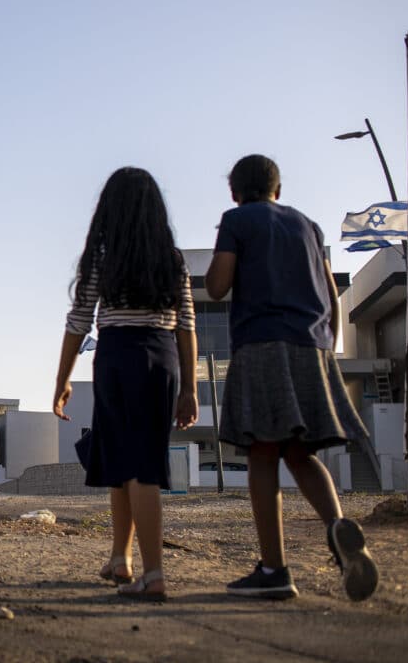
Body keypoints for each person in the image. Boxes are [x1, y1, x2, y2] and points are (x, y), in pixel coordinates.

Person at [205, 154, 379, 601]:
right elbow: (329, 292)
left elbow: (217, 285)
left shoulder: (237, 219)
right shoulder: (307, 225)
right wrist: (328, 350)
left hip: (262, 343)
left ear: (235, 192)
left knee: (262, 454)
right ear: (278, 190)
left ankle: (274, 569)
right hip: (314, 346)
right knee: (300, 452)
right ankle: (337, 524)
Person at [53, 167, 198, 602]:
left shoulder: (102, 258)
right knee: (122, 461)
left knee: (138, 467)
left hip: (117, 357)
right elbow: (187, 325)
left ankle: (153, 574)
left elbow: (78, 322)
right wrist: (189, 387)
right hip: (162, 357)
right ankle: (121, 558)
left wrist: (61, 381)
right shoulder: (171, 259)